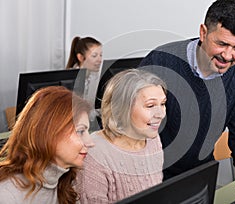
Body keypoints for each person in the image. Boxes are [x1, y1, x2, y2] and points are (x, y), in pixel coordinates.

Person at [139, 0, 235, 195]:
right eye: (222, 44)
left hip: (200, 177)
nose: (227, 56)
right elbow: (132, 128)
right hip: (151, 178)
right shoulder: (161, 60)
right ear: (203, 33)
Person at [76, 69, 167, 203]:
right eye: (150, 105)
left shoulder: (152, 139)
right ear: (122, 108)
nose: (160, 114)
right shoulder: (94, 154)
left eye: (163, 104)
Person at [0, 86, 95, 204]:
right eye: (80, 131)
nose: (91, 143)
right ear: (49, 133)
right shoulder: (7, 195)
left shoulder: (66, 180)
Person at [66, 36, 103, 105]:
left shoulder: (96, 77)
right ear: (81, 57)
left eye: (101, 55)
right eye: (94, 56)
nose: (100, 60)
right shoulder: (69, 80)